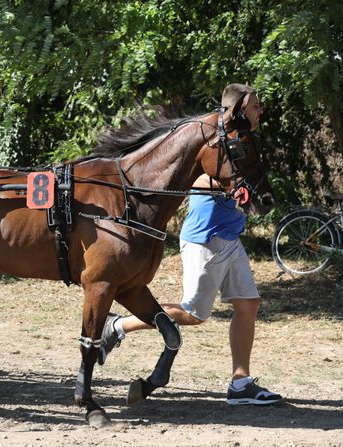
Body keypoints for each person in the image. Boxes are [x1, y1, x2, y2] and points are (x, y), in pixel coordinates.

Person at [97, 83, 283, 406]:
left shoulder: (239, 139)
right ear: (237, 108)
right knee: (193, 313)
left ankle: (241, 383)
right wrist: (221, 184)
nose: (261, 110)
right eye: (255, 106)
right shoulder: (214, 137)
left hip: (228, 236)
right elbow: (193, 176)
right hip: (206, 238)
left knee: (247, 303)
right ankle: (117, 326)